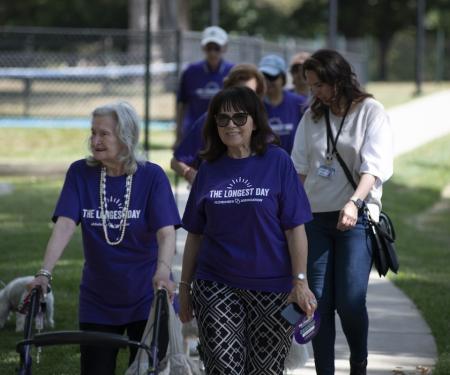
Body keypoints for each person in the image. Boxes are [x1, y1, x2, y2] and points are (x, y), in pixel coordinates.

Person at [29, 101, 181, 375]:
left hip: (146, 294)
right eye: (93, 132)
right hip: (97, 298)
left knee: (148, 370)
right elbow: (64, 225)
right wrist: (44, 273)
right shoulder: (80, 173)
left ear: (126, 137)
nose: (95, 140)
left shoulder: (151, 176)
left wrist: (163, 271)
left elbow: (166, 232)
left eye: (104, 134)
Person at [178, 86, 317, 374]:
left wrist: (300, 282)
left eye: (239, 118)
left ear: (255, 121)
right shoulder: (208, 169)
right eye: (223, 119)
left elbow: (295, 228)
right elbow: (195, 234)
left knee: (264, 370)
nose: (231, 125)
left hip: (272, 288)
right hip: (216, 284)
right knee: (223, 367)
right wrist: (184, 287)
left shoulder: (278, 162)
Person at [291, 49, 393, 375]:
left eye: (319, 84)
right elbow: (300, 169)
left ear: (338, 78)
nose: (314, 92)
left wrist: (355, 202)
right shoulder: (312, 117)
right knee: (315, 302)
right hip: (316, 218)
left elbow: (374, 167)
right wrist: (290, 214)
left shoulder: (370, 111)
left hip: (356, 217)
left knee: (350, 301)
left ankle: (358, 364)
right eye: (310, 85)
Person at [171, 63, 266, 184]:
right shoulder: (209, 120)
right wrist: (192, 175)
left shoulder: (264, 122)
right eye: (238, 92)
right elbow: (176, 161)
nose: (243, 99)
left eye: (249, 93)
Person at [175, 25, 234, 146]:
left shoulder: (233, 72)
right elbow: (181, 103)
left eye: (216, 48)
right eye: (209, 48)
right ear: (203, 48)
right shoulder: (190, 72)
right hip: (194, 132)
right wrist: (178, 134)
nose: (212, 52)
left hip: (223, 132)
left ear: (225, 47)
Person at [258, 54, 307, 154]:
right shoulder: (255, 105)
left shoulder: (300, 103)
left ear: (283, 79)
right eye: (264, 77)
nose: (267, 81)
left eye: (272, 77)